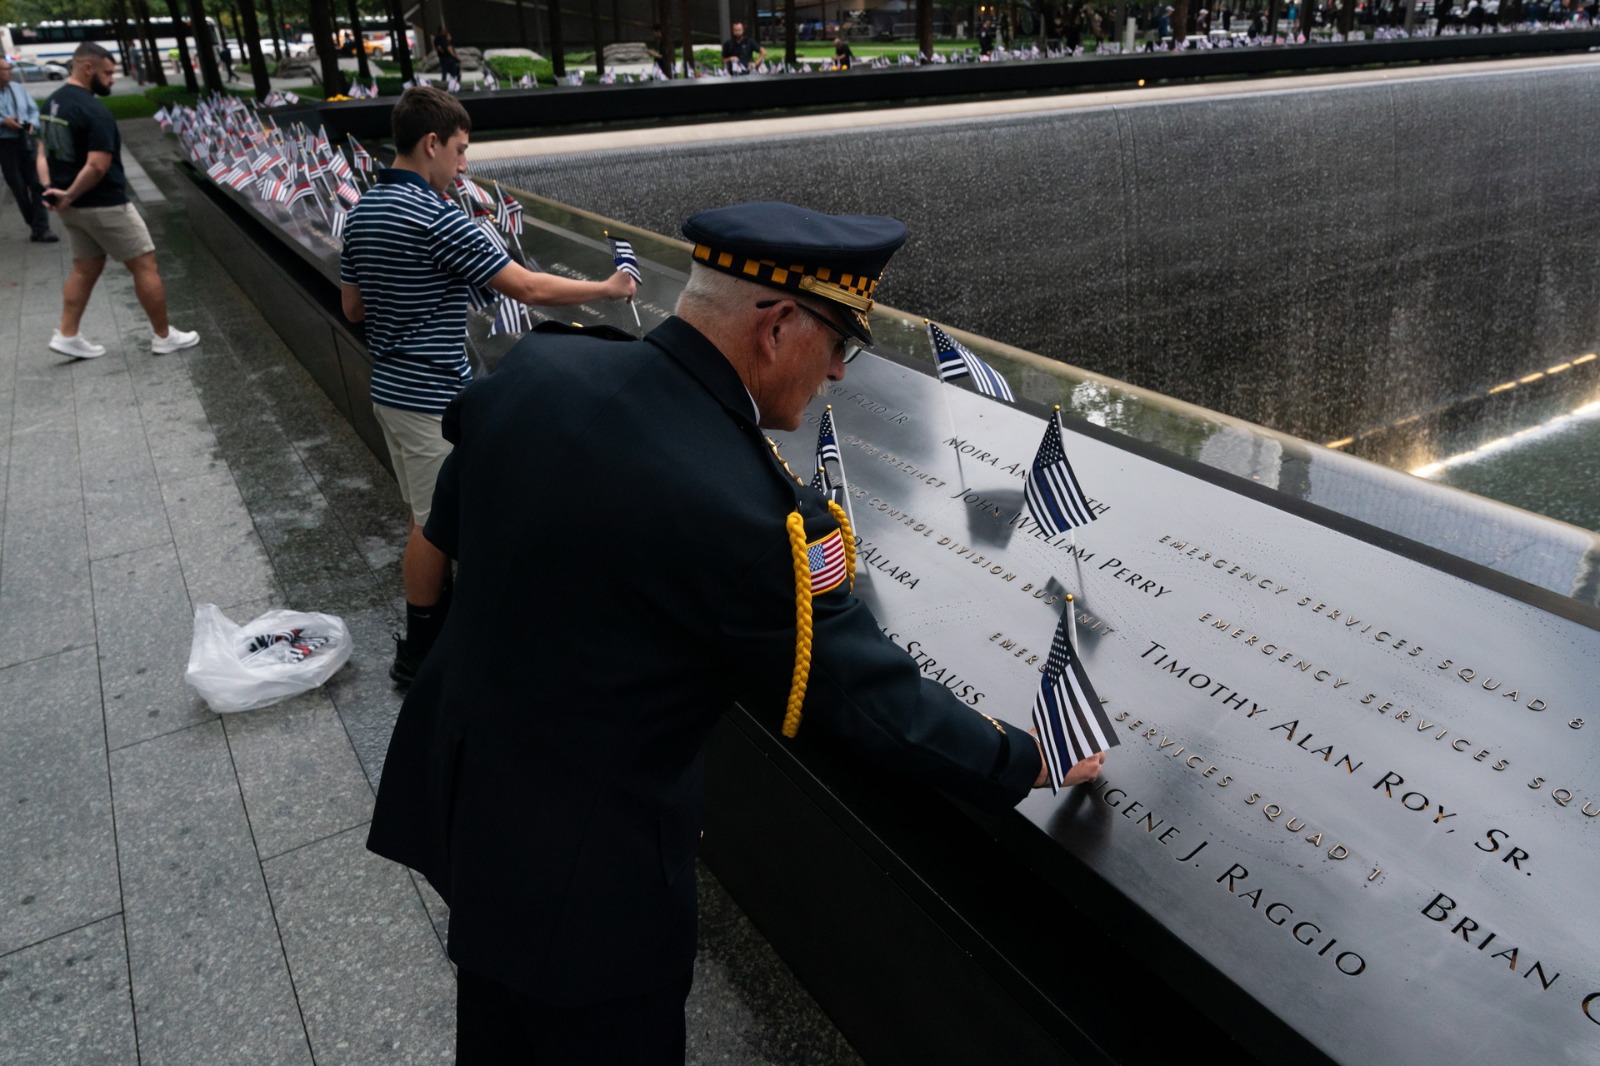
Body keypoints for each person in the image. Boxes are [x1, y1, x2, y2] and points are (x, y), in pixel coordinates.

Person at [365, 201, 1107, 1062]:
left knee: (498, 1031)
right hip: (590, 884)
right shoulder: (748, 510)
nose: (836, 375)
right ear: (778, 326)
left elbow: (450, 528)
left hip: (463, 793)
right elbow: (867, 698)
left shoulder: (539, 371)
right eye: (840, 346)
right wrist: (1026, 756)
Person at [338, 86, 636, 687]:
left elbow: (352, 308)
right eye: (461, 150)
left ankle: (442, 631)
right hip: (431, 396)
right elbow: (524, 287)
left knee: (430, 514)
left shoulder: (365, 208)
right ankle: (422, 650)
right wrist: (607, 291)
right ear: (432, 143)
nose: (465, 165)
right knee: (435, 521)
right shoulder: (434, 214)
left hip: (390, 389)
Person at [36, 43, 197, 360]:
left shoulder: (52, 103)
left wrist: (52, 190)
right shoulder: (94, 111)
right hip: (104, 205)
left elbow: (43, 152)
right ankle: (164, 337)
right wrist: (67, 194)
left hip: (72, 208)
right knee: (144, 264)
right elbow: (97, 166)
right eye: (108, 73)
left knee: (85, 267)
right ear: (87, 69)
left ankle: (67, 334)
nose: (112, 79)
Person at [0, 58, 58, 244]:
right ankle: (35, 226)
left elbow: (33, 110)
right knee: (18, 187)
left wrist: (32, 123)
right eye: (5, 69)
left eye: (10, 68)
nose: (9, 72)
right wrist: (3, 122)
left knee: (37, 184)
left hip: (26, 139)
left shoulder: (18, 88)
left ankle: (42, 227)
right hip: (5, 144)